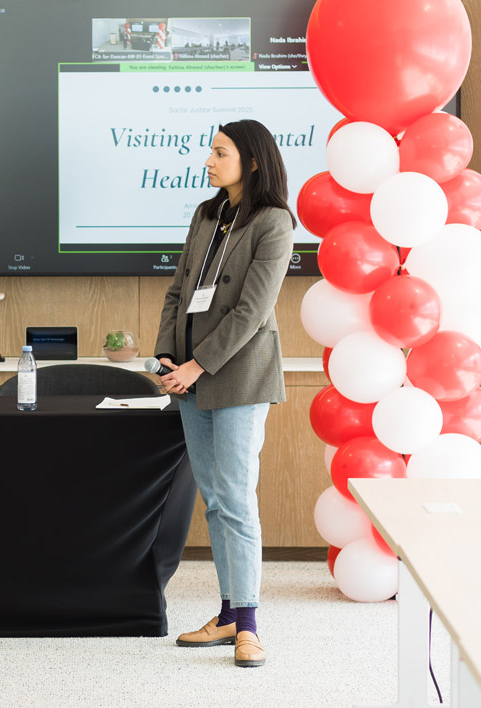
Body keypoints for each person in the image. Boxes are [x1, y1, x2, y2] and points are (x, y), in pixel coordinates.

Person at [153, 119, 295, 669]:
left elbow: (251, 313)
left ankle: (251, 625)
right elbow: (178, 288)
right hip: (187, 374)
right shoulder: (207, 214)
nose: (209, 161)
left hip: (235, 376)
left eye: (220, 152)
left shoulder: (274, 222)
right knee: (214, 499)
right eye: (210, 152)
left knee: (236, 498)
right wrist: (169, 354)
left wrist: (196, 365)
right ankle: (229, 612)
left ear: (252, 161)